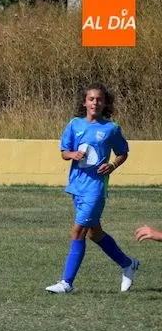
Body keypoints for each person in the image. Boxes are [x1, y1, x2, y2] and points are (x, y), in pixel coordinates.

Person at [46, 83, 139, 294]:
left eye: (99, 99)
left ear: (105, 103)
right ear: (84, 102)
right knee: (94, 234)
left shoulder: (111, 129)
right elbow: (64, 152)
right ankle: (127, 264)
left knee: (78, 231)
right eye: (91, 99)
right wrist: (72, 155)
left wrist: (113, 165)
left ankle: (66, 283)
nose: (95, 102)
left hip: (95, 189)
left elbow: (123, 152)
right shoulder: (74, 124)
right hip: (77, 186)